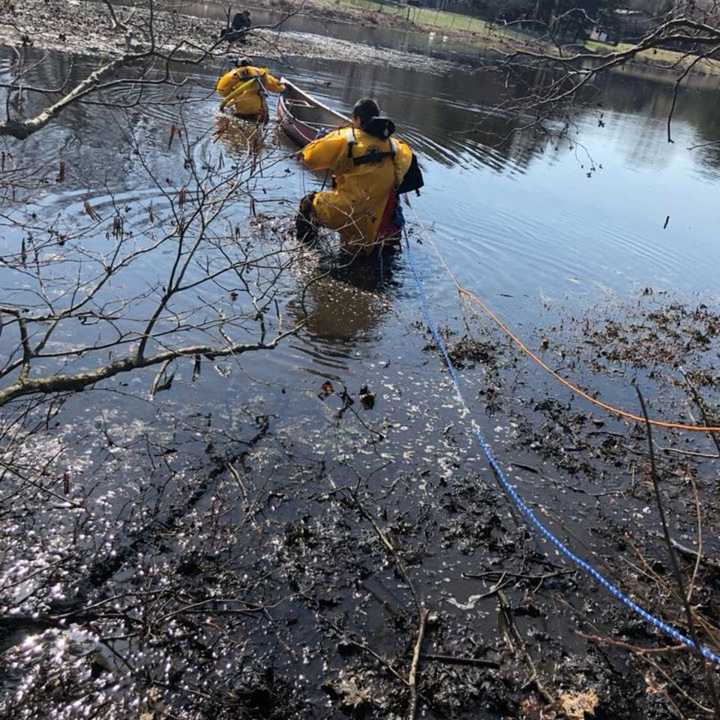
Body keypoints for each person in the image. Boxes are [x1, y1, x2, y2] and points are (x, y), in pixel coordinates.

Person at [296, 98, 423, 257]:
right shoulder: (398, 147)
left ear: (356, 119)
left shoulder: (345, 137)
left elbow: (309, 159)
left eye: (352, 119)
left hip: (345, 212)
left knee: (307, 203)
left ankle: (302, 250)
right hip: (379, 224)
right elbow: (407, 174)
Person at [215, 58, 285, 123]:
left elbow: (221, 92)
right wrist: (282, 86)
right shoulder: (261, 74)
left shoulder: (233, 75)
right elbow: (277, 88)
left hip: (240, 112)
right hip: (259, 113)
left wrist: (233, 91)